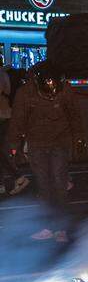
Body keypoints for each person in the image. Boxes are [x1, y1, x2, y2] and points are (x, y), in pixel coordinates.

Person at [6, 61, 86, 237]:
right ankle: (48, 227)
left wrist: (79, 139)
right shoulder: (25, 93)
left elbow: (75, 115)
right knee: (43, 185)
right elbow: (17, 120)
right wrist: (14, 145)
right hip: (37, 143)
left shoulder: (65, 89)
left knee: (59, 183)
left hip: (60, 142)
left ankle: (61, 228)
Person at [0, 56, 30, 197]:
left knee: (1, 152)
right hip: (5, 115)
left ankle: (18, 177)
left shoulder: (1, 75)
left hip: (2, 116)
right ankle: (6, 182)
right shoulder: (4, 74)